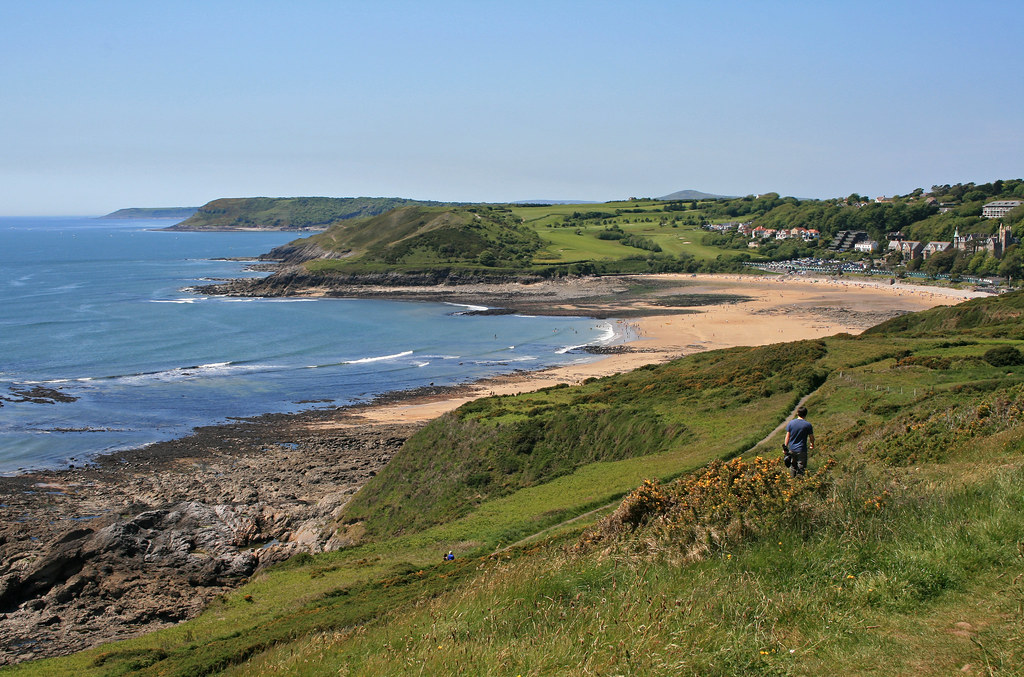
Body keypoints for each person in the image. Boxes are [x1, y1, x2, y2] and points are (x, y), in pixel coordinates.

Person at [784, 405, 814, 477]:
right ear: (806, 414)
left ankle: (792, 483)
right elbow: (811, 437)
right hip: (801, 450)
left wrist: (785, 448)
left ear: (797, 413)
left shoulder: (791, 423)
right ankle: (799, 484)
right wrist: (812, 444)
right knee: (801, 468)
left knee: (793, 467)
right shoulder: (807, 425)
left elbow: (787, 437)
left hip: (792, 449)